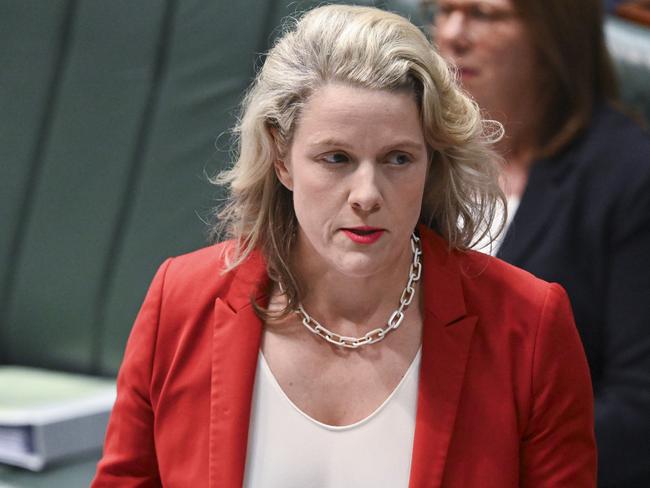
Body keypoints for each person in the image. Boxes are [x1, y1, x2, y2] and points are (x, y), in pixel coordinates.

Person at [92, 5, 596, 487]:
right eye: (336, 158)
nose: (367, 196)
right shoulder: (180, 300)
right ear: (281, 158)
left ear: (431, 163)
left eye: (398, 159)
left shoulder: (529, 327)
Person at [432, 0, 650, 486]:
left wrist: (480, 462)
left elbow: (638, 409)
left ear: (556, 32)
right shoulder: (411, 156)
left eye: (483, 14)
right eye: (441, 9)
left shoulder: (629, 178)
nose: (451, 33)